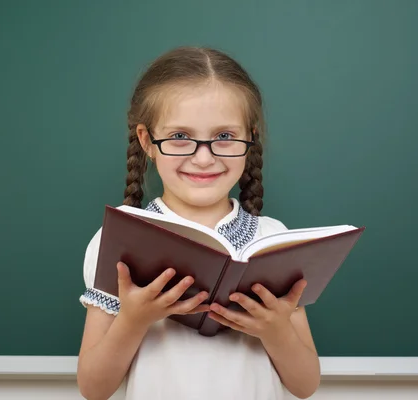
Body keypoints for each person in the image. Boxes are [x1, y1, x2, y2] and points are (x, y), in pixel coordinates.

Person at [76, 46, 321, 400]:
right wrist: (133, 320)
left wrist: (276, 330)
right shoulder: (118, 241)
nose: (203, 158)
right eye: (179, 137)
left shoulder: (274, 239)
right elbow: (93, 388)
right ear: (147, 141)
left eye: (224, 137)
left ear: (249, 140)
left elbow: (306, 385)